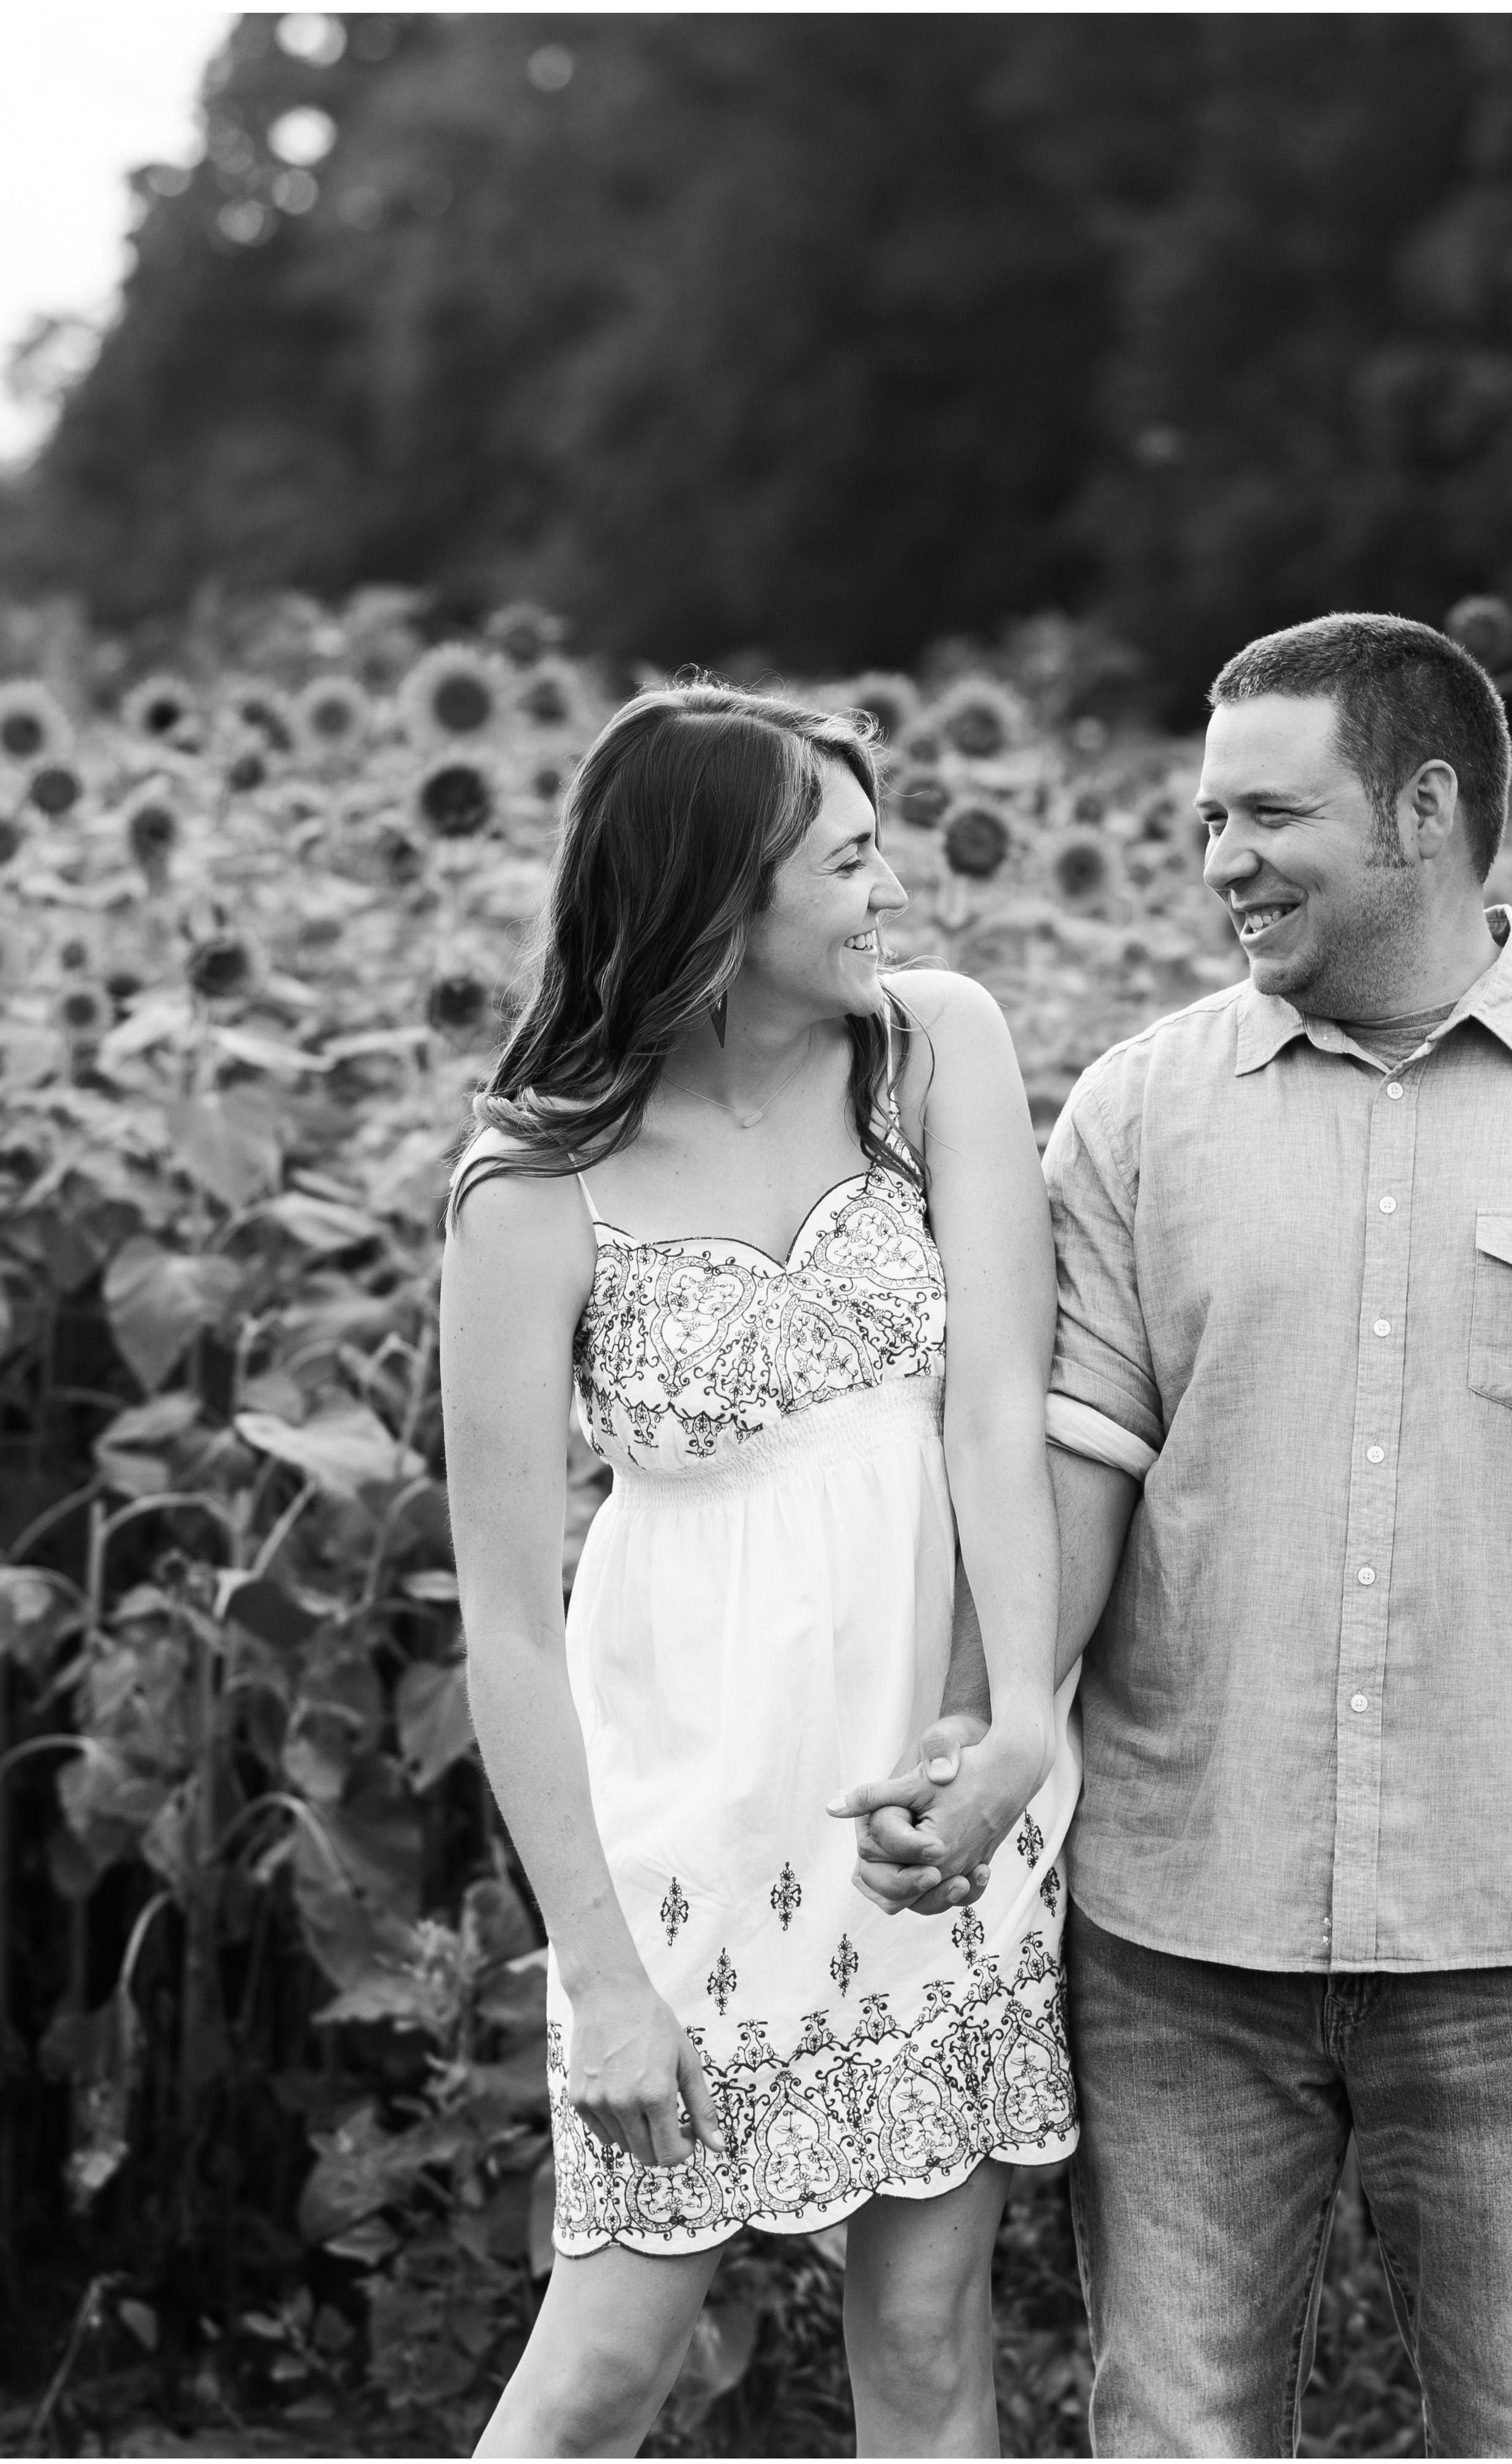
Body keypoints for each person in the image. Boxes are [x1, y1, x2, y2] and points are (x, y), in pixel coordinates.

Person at [839, 614, 1512, 2455]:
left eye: (1269, 815)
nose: (1222, 860)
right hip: (1186, 1933)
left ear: (1426, 809)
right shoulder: (1142, 1114)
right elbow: (1079, 1466)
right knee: (1178, 2433)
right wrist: (999, 1726)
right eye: (1207, 820)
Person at [440, 682, 1078, 2459]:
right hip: (692, 1831)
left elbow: (998, 1415)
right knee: (603, 2373)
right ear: (719, 895)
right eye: (852, 862)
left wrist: (1015, 1724)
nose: (895, 894)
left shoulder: (934, 1046)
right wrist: (600, 1976)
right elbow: (505, 1619)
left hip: (937, 1797)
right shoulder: (532, 1188)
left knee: (930, 2336)